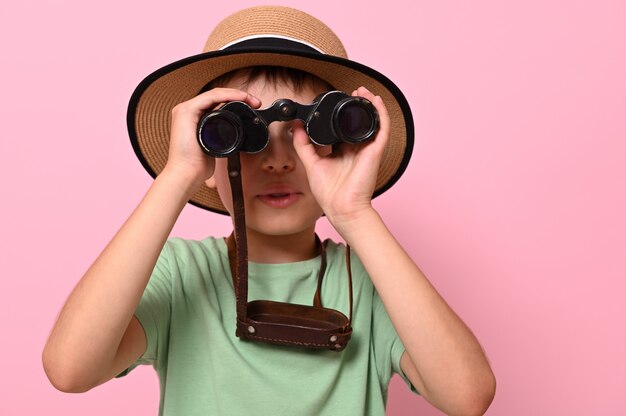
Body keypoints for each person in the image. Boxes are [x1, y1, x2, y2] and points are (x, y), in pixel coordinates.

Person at [42, 6, 495, 415]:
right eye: (242, 135)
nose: (277, 161)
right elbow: (70, 370)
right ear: (208, 155)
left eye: (304, 133)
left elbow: (467, 396)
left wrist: (354, 212)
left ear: (343, 145)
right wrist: (176, 175)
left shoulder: (374, 281)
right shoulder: (180, 274)